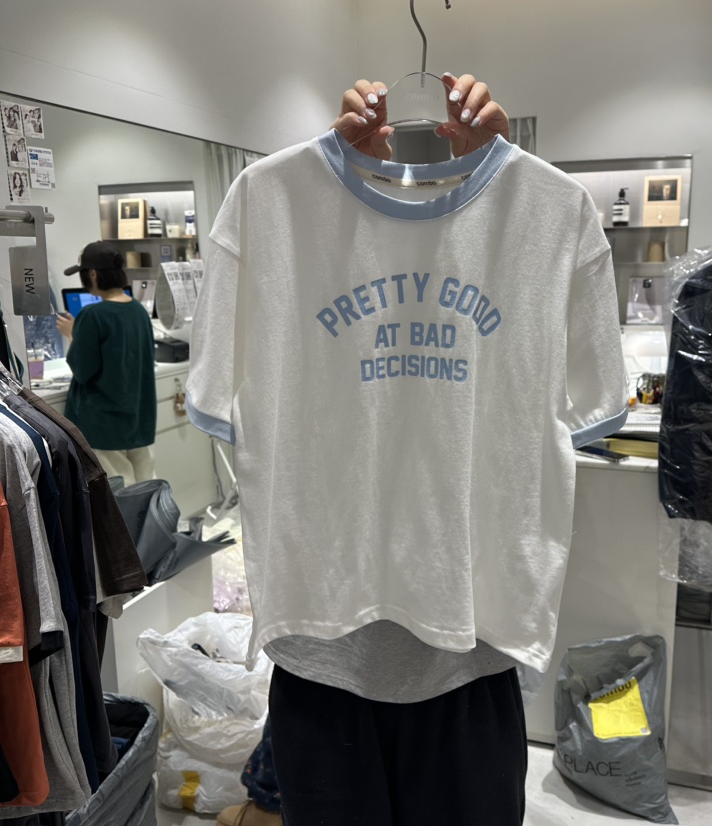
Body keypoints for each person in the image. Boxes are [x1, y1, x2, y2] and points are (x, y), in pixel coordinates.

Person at [216, 72, 514, 826]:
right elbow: (225, 399)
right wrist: (331, 195)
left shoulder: (543, 216)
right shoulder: (268, 209)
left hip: (471, 651)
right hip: (322, 652)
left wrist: (501, 186)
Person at [56, 241, 157, 486]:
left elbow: (82, 370)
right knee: (146, 489)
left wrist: (71, 335)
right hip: (138, 418)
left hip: (104, 424)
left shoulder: (93, 315)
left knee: (117, 495)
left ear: (92, 274)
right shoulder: (138, 310)